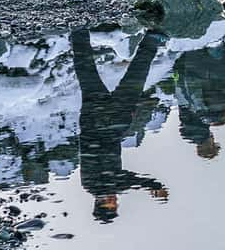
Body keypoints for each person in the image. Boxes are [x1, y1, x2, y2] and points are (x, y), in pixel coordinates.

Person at [72, 29, 169, 222]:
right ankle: (78, 33)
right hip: (92, 121)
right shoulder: (92, 185)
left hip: (111, 124)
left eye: (111, 205)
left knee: (135, 78)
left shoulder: (101, 187)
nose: (115, 201)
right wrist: (149, 185)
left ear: (101, 204)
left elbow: (125, 180)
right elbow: (123, 181)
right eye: (115, 204)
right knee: (87, 74)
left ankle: (150, 40)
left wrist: (151, 185)